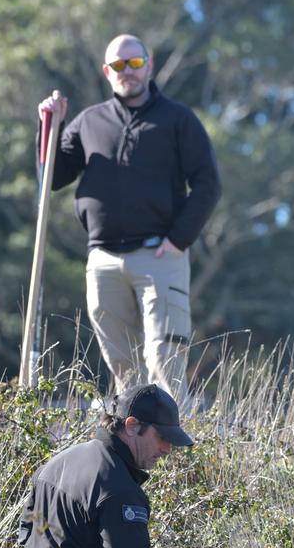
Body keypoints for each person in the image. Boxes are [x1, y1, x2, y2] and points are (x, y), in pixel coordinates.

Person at [39, 34, 221, 404]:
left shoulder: (178, 120)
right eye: (119, 66)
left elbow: (208, 184)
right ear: (107, 72)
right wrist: (49, 126)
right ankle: (133, 452)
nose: (128, 72)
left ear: (149, 65)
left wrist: (177, 240)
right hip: (103, 260)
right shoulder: (89, 122)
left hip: (159, 256)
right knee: (123, 368)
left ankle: (178, 452)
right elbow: (51, 178)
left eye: (135, 63)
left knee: (164, 357)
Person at [0, 382, 192, 548]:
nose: (167, 449)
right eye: (162, 438)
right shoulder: (119, 489)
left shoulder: (58, 462)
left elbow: (25, 535)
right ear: (132, 426)